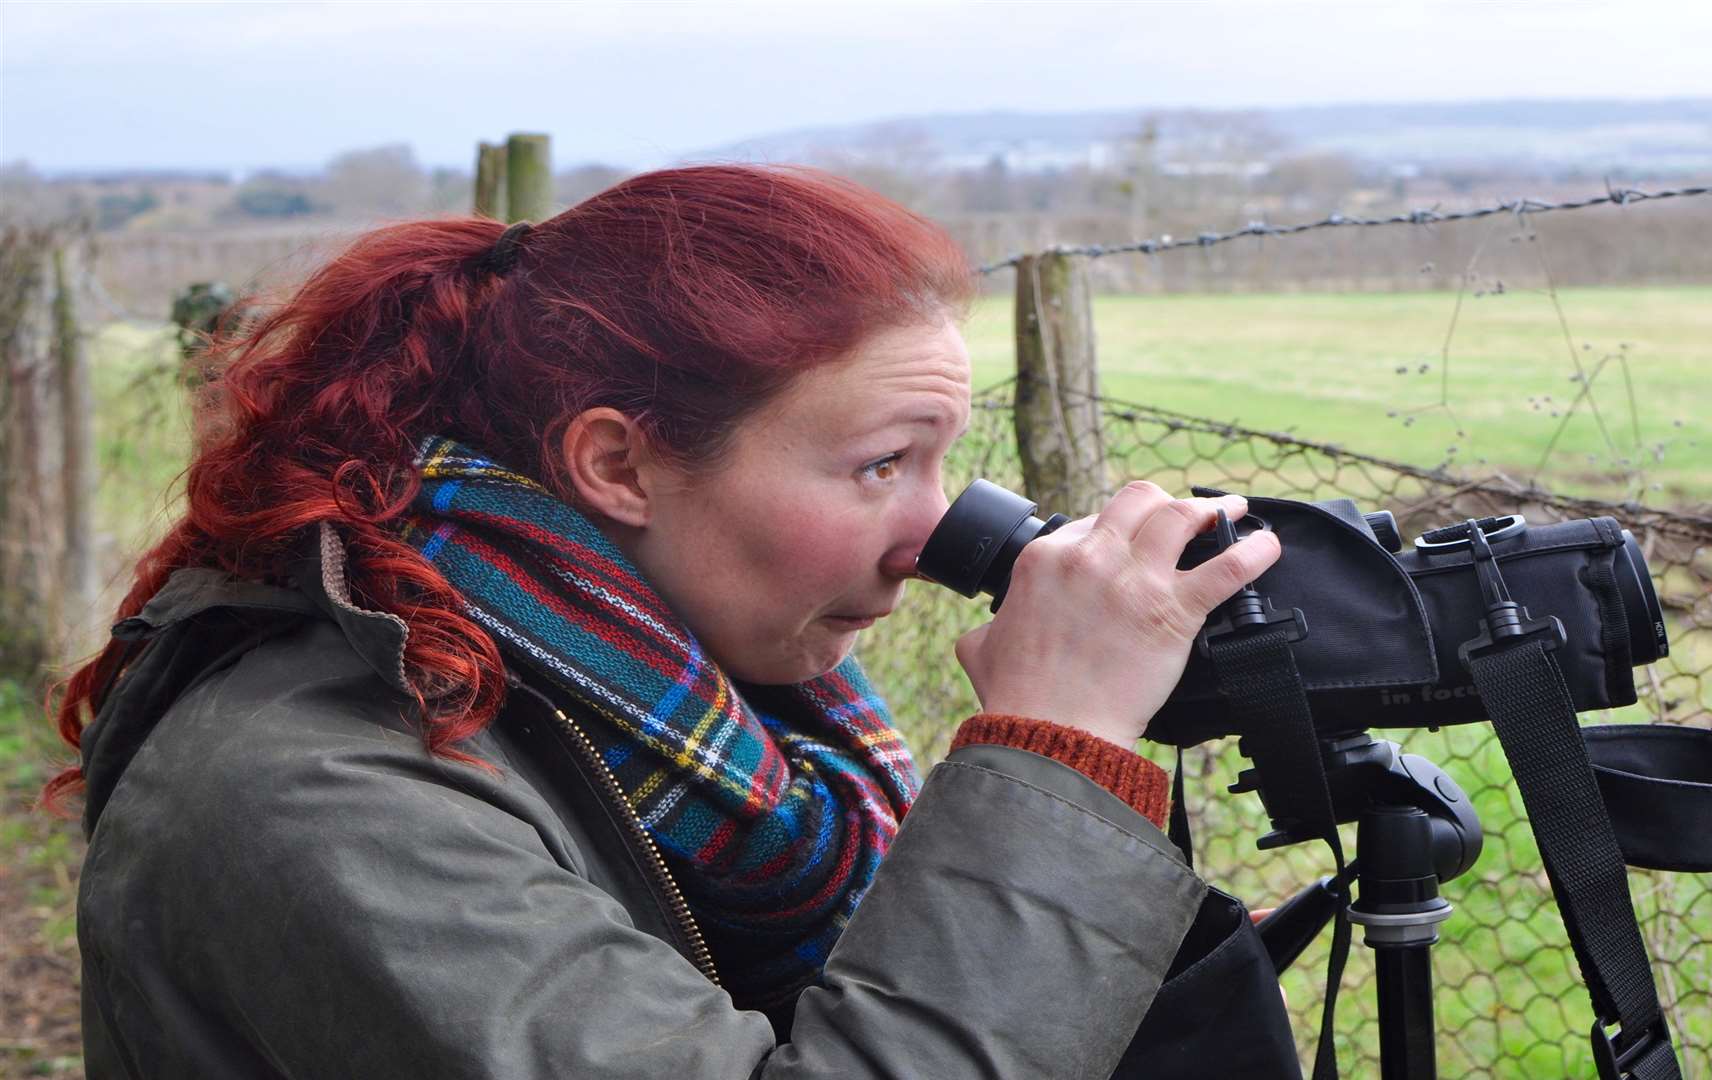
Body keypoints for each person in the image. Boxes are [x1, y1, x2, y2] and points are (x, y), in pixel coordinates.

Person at [48, 164, 1283, 1078]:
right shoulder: (323, 793)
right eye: (878, 465)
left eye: (941, 463)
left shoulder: (698, 722)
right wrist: (1050, 757)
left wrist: (1104, 972)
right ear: (618, 468)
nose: (930, 533)